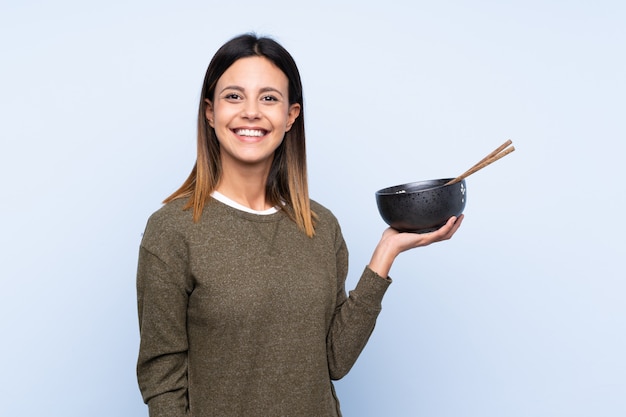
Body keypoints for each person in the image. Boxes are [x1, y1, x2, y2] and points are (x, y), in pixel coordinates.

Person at [136, 33, 463, 417]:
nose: (251, 112)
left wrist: (385, 253)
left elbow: (335, 361)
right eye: (234, 96)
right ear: (210, 112)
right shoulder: (172, 230)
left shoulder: (321, 226)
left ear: (291, 116)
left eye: (269, 98)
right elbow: (163, 377)